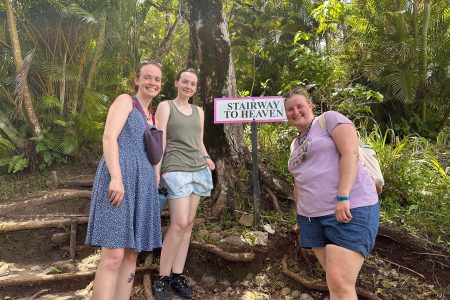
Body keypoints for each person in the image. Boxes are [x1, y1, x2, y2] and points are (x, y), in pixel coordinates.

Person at [284, 87, 379, 300]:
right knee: (336, 283)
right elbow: (299, 181)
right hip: (311, 218)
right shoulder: (295, 144)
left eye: (300, 106)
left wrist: (343, 196)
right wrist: (299, 216)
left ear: (311, 106)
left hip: (349, 207)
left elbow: (350, 152)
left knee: (339, 281)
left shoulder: (329, 120)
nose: (295, 111)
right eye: (290, 109)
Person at [86, 61, 163, 299]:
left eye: (157, 79)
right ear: (137, 80)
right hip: (120, 179)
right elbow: (109, 138)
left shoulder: (153, 117)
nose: (152, 83)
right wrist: (116, 177)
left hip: (143, 185)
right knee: (114, 255)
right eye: (147, 77)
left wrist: (155, 179)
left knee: (132, 253)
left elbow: (154, 155)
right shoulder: (125, 102)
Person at [153, 68, 215, 300]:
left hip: (197, 169)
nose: (189, 86)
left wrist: (207, 158)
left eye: (193, 84)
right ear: (177, 83)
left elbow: (198, 141)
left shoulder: (198, 111)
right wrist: (156, 172)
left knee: (188, 224)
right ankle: (162, 278)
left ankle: (177, 275)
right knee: (178, 223)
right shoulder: (166, 106)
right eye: (185, 82)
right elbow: (159, 140)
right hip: (175, 169)